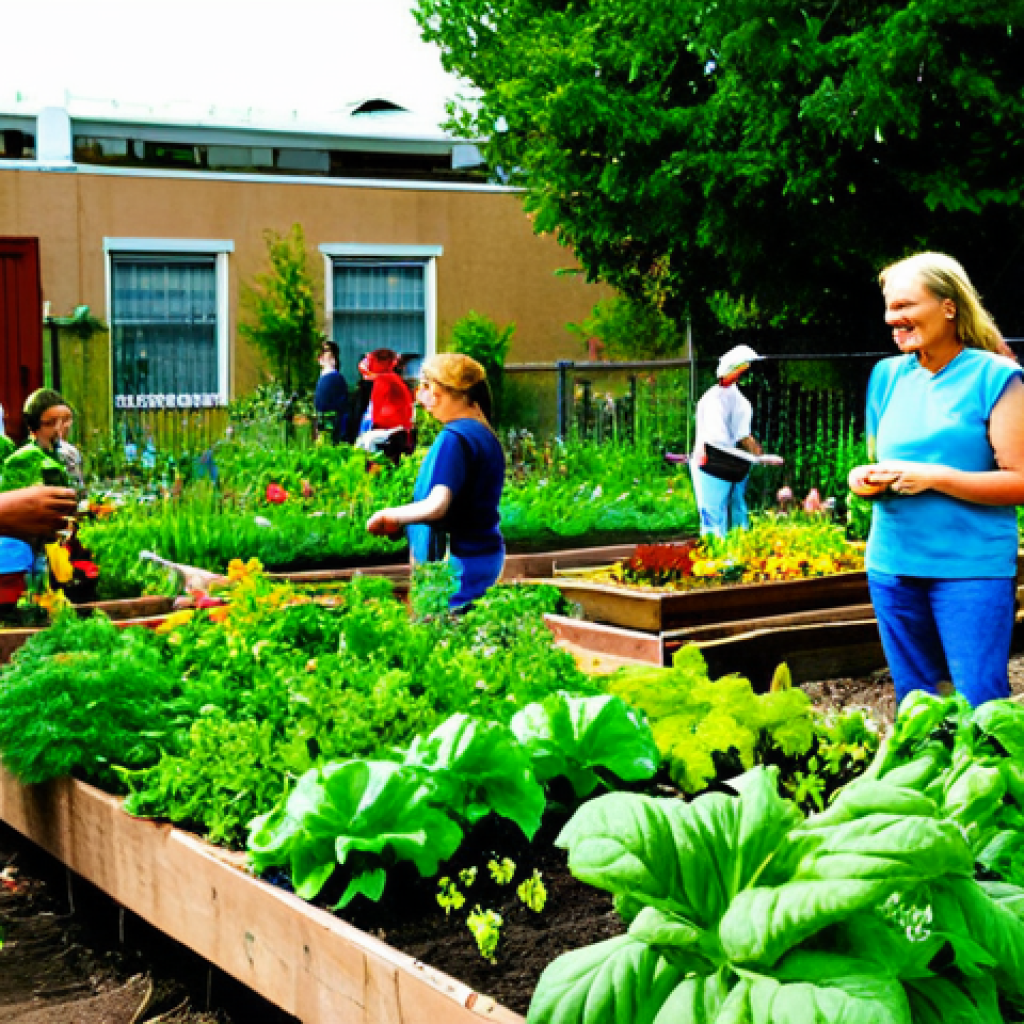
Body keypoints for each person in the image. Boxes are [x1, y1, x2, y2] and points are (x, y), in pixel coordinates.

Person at [848, 251, 1024, 707]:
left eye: (906, 306)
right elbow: (878, 460)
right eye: (889, 308)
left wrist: (938, 478)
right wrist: (861, 479)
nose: (894, 319)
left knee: (979, 705)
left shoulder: (996, 376)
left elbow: (1020, 480)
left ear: (948, 306)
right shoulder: (886, 376)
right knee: (918, 707)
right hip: (891, 566)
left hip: (970, 570)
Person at [366, 353, 505, 609]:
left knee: (447, 634)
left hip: (456, 566)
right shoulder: (487, 436)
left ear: (453, 391)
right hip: (486, 557)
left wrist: (392, 516)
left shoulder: (454, 438)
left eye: (429, 386)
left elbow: (437, 505)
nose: (422, 396)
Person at [690, 344, 782, 536]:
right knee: (724, 512)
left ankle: (723, 556)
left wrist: (759, 456)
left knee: (716, 514)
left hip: (716, 462)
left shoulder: (730, 400)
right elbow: (737, 437)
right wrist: (759, 457)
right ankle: (727, 555)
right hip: (717, 462)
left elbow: (740, 436)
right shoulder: (719, 399)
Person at [313, 341, 349, 444]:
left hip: (332, 425)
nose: (322, 355)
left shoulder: (332, 378)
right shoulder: (326, 377)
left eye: (326, 351)